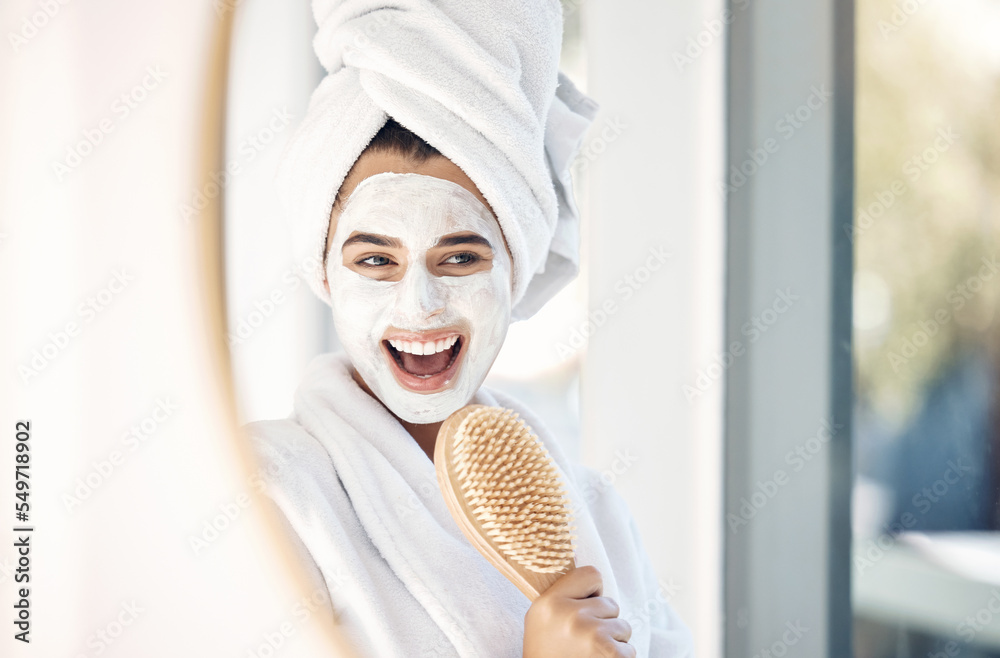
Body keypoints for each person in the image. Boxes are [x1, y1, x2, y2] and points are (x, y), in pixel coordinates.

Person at [243, 1, 694, 656]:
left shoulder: (597, 513)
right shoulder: (269, 489)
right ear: (325, 275)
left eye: (460, 258)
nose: (421, 306)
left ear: (514, 271)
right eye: (375, 260)